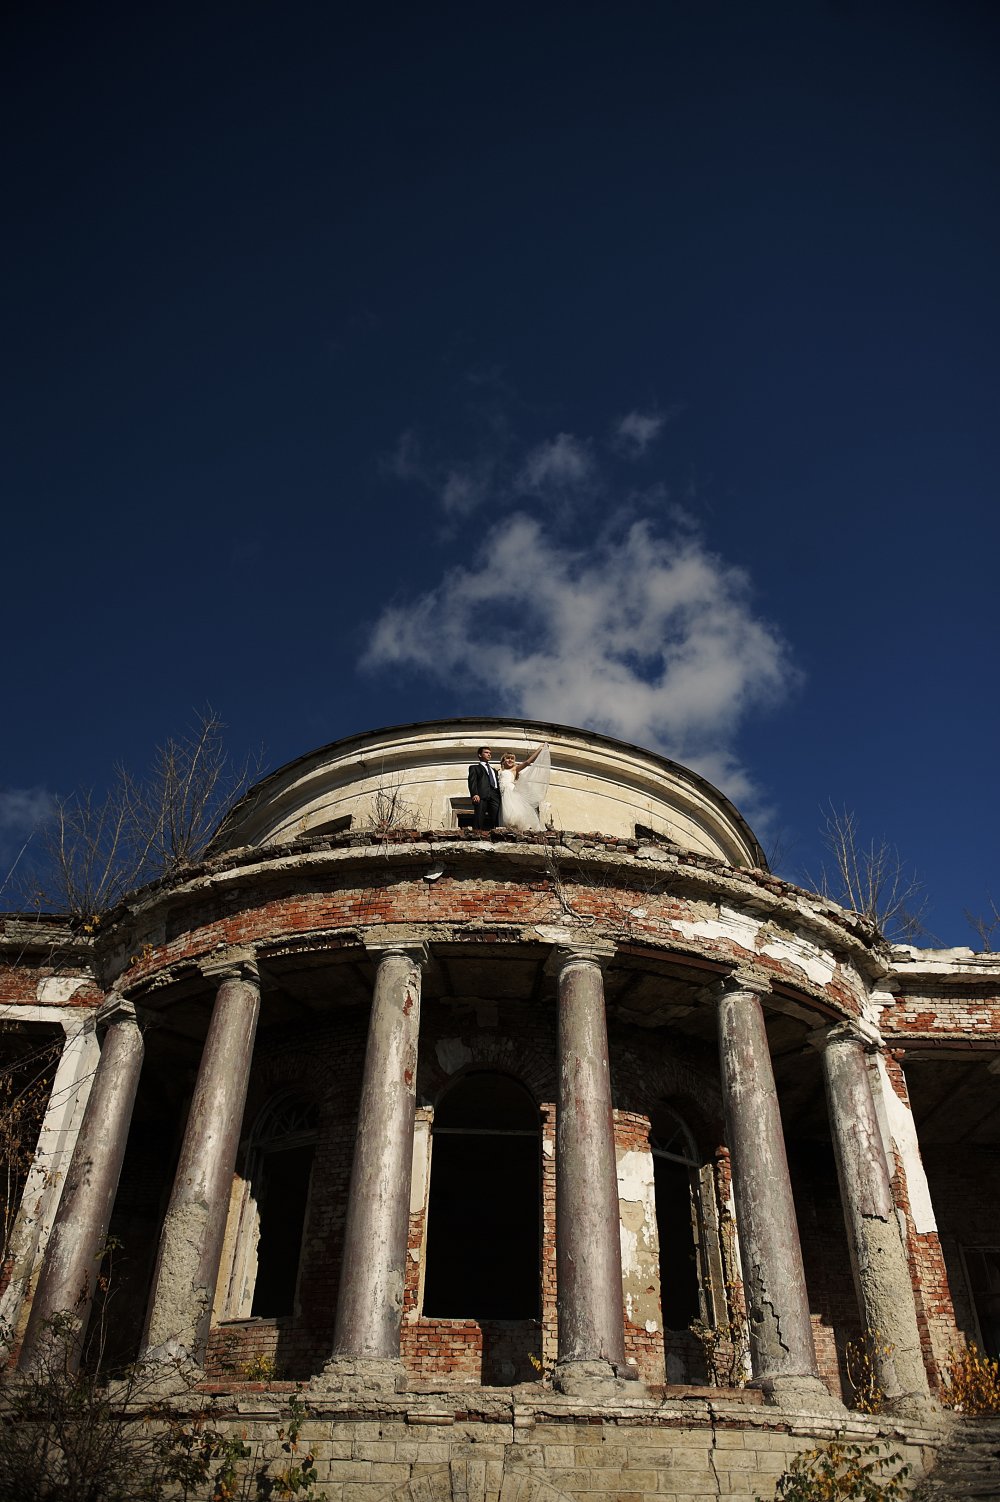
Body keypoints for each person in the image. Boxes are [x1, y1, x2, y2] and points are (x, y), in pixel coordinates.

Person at [497, 744, 550, 832]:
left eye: (512, 759)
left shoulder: (514, 769)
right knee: (506, 816)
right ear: (503, 760)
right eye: (508, 758)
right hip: (503, 794)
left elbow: (527, 762)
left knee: (514, 814)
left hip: (510, 792)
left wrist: (539, 750)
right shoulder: (499, 771)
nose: (510, 760)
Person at [468, 745, 501, 830]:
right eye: (486, 753)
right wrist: (474, 794)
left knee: (497, 816)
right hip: (482, 794)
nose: (489, 754)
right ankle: (476, 834)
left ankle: (497, 835)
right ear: (480, 755)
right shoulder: (474, 768)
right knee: (479, 815)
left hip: (495, 795)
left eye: (490, 753)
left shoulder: (494, 770)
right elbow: (472, 781)